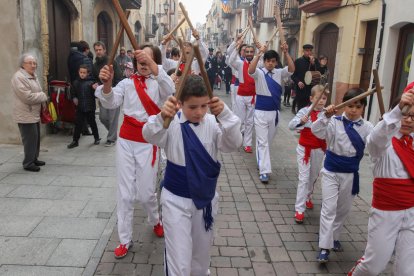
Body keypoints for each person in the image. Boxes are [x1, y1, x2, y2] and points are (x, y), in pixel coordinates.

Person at [142, 75, 242, 276]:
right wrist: (162, 117)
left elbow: (233, 144)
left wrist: (226, 116)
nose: (199, 112)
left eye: (204, 106)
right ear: (180, 103)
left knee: (200, 258)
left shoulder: (213, 123)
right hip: (175, 200)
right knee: (178, 261)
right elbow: (149, 134)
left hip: (205, 201)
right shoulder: (170, 122)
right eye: (193, 107)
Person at [95, 43, 175, 259]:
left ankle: (155, 219)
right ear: (135, 62)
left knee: (147, 192)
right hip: (126, 142)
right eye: (141, 59)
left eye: (149, 59)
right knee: (125, 193)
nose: (144, 63)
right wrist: (107, 84)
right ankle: (124, 239)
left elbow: (172, 91)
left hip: (148, 142)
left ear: (155, 62)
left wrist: (154, 66)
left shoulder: (160, 83)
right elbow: (110, 102)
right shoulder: (127, 84)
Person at [348, 84, 414, 276]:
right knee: (373, 265)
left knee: (408, 270)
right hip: (386, 211)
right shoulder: (384, 141)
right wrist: (398, 110)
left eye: (413, 116)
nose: (408, 120)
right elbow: (375, 138)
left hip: (412, 211)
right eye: (405, 114)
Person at [311, 88, 374, 263]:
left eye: (358, 106)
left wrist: (384, 128)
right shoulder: (334, 122)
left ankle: (334, 236)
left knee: (342, 209)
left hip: (350, 173)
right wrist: (325, 116)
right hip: (331, 170)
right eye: (350, 105)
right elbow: (316, 131)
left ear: (363, 108)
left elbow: (376, 145)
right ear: (344, 105)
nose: (353, 109)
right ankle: (324, 246)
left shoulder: (368, 127)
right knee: (329, 208)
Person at [249, 42, 294, 183]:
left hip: (274, 112)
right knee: (262, 142)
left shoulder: (280, 73)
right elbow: (250, 70)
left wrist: (286, 53)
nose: (270, 63)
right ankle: (264, 171)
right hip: (260, 111)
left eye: (273, 61)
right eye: (268, 61)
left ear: (276, 62)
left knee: (267, 142)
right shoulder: (259, 73)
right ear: (264, 61)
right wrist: (259, 53)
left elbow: (292, 69)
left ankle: (261, 160)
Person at [288, 85, 328, 223]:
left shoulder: (326, 114)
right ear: (311, 99)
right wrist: (301, 121)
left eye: (323, 98)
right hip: (304, 150)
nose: (321, 101)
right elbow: (291, 125)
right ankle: (299, 209)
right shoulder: (304, 111)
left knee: (313, 176)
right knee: (304, 179)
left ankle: (308, 196)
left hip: (319, 150)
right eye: (318, 98)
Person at [11, 53, 48, 172]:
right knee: (29, 139)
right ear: (23, 64)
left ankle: (34, 158)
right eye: (30, 63)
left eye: (34, 63)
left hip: (33, 113)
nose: (33, 65)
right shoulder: (19, 77)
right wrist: (42, 96)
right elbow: (27, 97)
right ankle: (28, 163)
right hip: (25, 114)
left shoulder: (32, 75)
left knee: (35, 138)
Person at [92, 41, 122, 147]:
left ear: (104, 50)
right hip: (102, 95)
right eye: (96, 50)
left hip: (114, 93)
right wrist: (94, 85)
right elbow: (94, 79)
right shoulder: (94, 65)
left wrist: (118, 91)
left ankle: (111, 139)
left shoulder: (112, 61)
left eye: (100, 49)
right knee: (103, 117)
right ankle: (113, 133)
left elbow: (119, 77)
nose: (98, 52)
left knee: (113, 118)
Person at [229, 38, 256, 153]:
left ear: (253, 53)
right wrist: (237, 46)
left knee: (250, 121)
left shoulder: (258, 63)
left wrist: (260, 49)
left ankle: (247, 144)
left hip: (253, 96)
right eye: (247, 52)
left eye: (251, 52)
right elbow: (231, 60)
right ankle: (237, 140)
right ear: (244, 53)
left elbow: (264, 58)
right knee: (240, 119)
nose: (249, 54)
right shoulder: (239, 64)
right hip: (241, 95)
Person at [67, 64, 100, 149]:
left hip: (90, 107)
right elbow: (73, 93)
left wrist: (95, 89)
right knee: (78, 124)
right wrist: (74, 98)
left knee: (92, 123)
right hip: (80, 107)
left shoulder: (91, 82)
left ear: (87, 73)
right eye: (81, 72)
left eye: (84, 73)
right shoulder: (76, 82)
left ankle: (96, 138)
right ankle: (75, 141)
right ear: (78, 72)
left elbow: (96, 95)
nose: (82, 74)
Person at [291, 44, 320, 113]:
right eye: (307, 51)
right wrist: (298, 82)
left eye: (310, 51)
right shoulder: (298, 61)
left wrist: (313, 64)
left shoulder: (315, 61)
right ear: (303, 51)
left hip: (311, 89)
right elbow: (293, 75)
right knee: (301, 110)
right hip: (301, 89)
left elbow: (319, 72)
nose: (309, 52)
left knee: (311, 110)